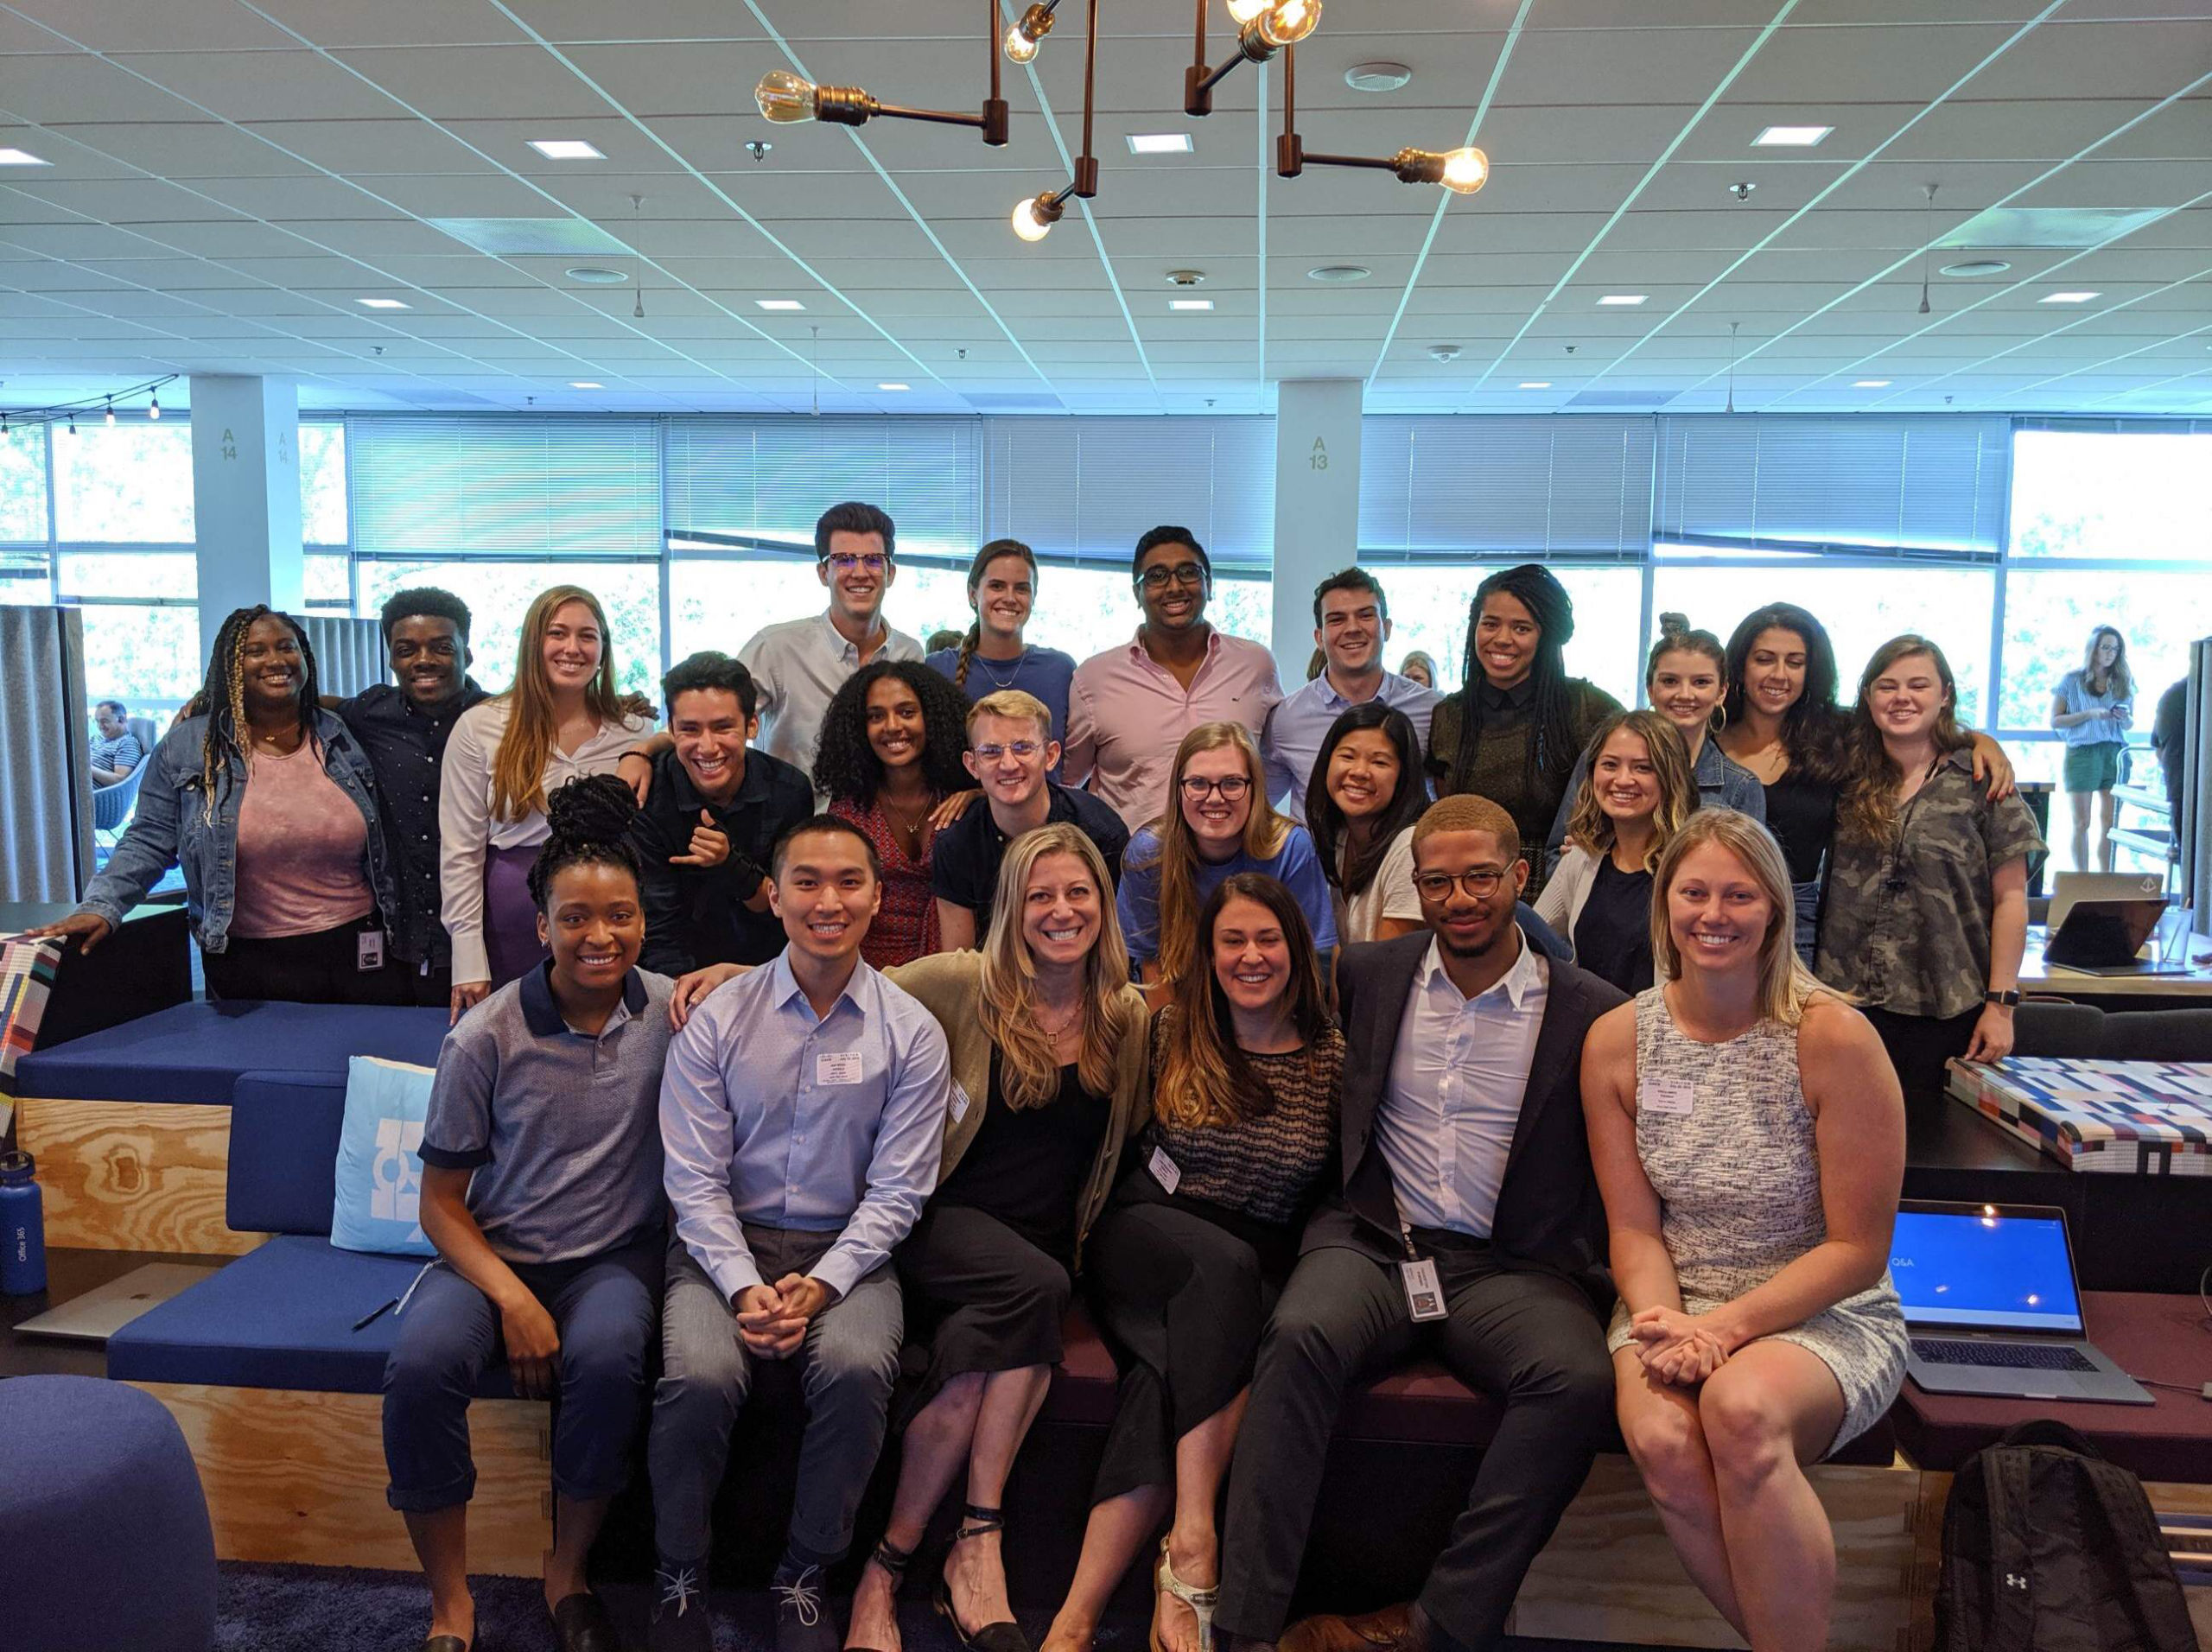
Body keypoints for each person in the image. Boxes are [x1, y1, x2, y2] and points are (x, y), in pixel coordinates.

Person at [1210, 794, 1626, 1652]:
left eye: (1480, 878)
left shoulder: (1592, 1010)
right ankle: (1245, 1627)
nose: (1458, 899)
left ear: (1520, 876)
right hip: (1375, 1241)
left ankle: (1439, 1623)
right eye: (1437, 882)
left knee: (1578, 1380)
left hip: (1512, 1266)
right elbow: (1257, 1015)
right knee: (1296, 1335)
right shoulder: (1367, 972)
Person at [1583, 808, 1907, 1652]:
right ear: (1665, 904)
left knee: (1739, 1408)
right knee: (1660, 1436)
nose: (1713, 914)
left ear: (1774, 909)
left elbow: (1857, 1250)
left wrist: (1722, 1331)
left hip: (1821, 1311)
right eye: (1693, 893)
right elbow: (1634, 1230)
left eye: (1738, 895)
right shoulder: (1617, 1040)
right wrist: (1665, 1325)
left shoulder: (1833, 1036)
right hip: (1671, 1304)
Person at [842, 825, 1152, 1652]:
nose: (1061, 910)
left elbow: (1128, 1140)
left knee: (984, 1364)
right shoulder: (959, 981)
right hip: (940, 1223)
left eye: (1078, 893)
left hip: (1040, 1251)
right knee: (1037, 1292)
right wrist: (735, 974)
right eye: (1041, 895)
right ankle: (980, 1539)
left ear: (1103, 904)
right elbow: (844, 980)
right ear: (1012, 907)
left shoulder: (1124, 1014)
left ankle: (885, 1570)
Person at [382, 776, 673, 1652]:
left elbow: (762, 995)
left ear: (643, 920)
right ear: (541, 925)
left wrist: (733, 972)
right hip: (491, 1253)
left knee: (611, 1356)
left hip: (612, 1257)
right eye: (574, 918)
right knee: (420, 1366)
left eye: (619, 915)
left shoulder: (674, 1010)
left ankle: (567, 1569)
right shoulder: (485, 1035)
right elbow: (439, 1205)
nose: (599, 936)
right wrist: (513, 1298)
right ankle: (450, 1602)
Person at [649, 815, 951, 1652]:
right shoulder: (719, 1016)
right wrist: (744, 1285)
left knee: (856, 1368)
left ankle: (805, 1572)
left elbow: (899, 1190)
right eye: (807, 882)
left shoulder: (911, 1031)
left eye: (850, 882)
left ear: (878, 897)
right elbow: (693, 1179)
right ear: (774, 897)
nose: (829, 901)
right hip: (722, 1243)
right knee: (700, 1374)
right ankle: (679, 1573)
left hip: (848, 1249)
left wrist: (822, 1284)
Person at [1042, 874, 1344, 1652]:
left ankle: (1074, 1621)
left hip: (1251, 1264)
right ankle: (1194, 1535)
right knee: (1226, 1274)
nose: (1251, 956)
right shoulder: (1170, 1030)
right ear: (1208, 956)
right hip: (1146, 1234)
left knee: (1162, 1379)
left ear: (1297, 947)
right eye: (1231, 941)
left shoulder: (1334, 1057)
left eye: (1267, 939)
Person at [35, 606, 406, 1004]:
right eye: (255, 651)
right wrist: (102, 905)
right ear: (231, 665)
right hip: (246, 955)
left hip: (357, 944)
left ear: (305, 657)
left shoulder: (341, 736)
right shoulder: (190, 747)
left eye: (287, 647)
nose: (276, 660)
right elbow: (149, 839)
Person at [1716, 603, 2013, 963]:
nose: (1779, 674)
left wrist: (1982, 741)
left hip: (1797, 928)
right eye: (1764, 659)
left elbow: (1911, 726)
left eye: (1795, 662)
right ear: (1741, 666)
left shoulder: (1836, 737)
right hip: (1711, 916)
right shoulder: (1707, 741)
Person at [1817, 636, 2041, 1112]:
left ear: (1945, 695)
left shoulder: (1984, 782)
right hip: (1845, 1003)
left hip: (1947, 1004)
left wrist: (2001, 1006)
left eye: (1918, 685)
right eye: (1887, 686)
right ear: (1868, 697)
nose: (1902, 697)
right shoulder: (1843, 773)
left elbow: (2011, 900)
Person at [440, 584, 654, 1018]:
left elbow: (682, 740)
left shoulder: (634, 730)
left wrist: (649, 749)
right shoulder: (480, 727)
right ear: (533, 644)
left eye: (587, 636)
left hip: (606, 917)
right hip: (513, 916)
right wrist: (467, 957)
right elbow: (460, 852)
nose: (572, 648)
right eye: (557, 633)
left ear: (603, 649)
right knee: (516, 1036)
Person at [1064, 526, 1282, 830]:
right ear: (1137, 593)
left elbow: (1276, 764)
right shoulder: (1094, 678)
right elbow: (1068, 783)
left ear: (1209, 584)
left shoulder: (1255, 665)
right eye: (1157, 576)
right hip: (1131, 856)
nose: (1175, 586)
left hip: (1235, 854)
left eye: (1188, 572)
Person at [335, 588, 492, 1007]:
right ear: (391, 659)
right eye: (406, 650)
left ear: (466, 654)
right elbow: (305, 704)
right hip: (400, 932)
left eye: (441, 647)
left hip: (487, 930)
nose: (424, 660)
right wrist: (213, 699)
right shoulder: (371, 712)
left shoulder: (500, 719)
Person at [1426, 563, 1622, 896]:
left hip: (1560, 883)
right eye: (1490, 624)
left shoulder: (1585, 707)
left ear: (1544, 636)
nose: (1502, 639)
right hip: (1467, 886)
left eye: (1521, 628)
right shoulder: (1449, 715)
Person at [630, 651, 814, 975]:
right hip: (675, 979)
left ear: (752, 725)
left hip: (770, 974)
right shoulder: (649, 796)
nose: (707, 746)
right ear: (671, 730)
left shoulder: (789, 790)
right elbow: (658, 929)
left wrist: (731, 865)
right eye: (690, 729)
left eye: (723, 727)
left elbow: (792, 906)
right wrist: (683, 997)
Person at [1116, 722, 1336, 989]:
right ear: (1178, 789)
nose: (1215, 798)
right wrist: (1170, 1019)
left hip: (1273, 995)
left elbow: (1314, 957)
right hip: (1180, 996)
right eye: (1198, 783)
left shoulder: (1290, 848)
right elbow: (1151, 965)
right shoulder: (1149, 854)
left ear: (1255, 787)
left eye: (1232, 783)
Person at [932, 689, 1129, 952]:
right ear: (972, 765)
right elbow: (958, 960)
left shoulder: (1100, 832)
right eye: (991, 752)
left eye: (1023, 748)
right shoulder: (956, 844)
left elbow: (1117, 945)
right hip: (992, 974)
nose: (1008, 764)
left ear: (1051, 755)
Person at [1547, 614, 1764, 853]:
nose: (1684, 694)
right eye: (1670, 681)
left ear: (1721, 692)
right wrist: (1578, 861)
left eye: (1701, 682)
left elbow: (1749, 870)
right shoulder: (1600, 759)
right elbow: (1556, 853)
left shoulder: (1741, 787)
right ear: (1650, 689)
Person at [739, 501, 925, 773]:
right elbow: (719, 721)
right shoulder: (775, 649)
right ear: (824, 573)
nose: (860, 573)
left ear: (890, 573)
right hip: (798, 802)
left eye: (873, 560)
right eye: (844, 559)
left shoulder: (910, 654)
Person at [815, 660, 974, 968]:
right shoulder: (849, 809)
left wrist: (983, 795)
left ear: (933, 718)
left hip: (955, 966)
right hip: (870, 969)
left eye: (906, 712)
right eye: (876, 716)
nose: (891, 726)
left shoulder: (965, 796)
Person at [1536, 710, 1699, 995]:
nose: (1623, 780)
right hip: (1589, 1020)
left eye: (1643, 768)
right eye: (1610, 765)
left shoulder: (1694, 866)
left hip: (1660, 1022)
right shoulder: (1581, 858)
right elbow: (1530, 934)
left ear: (1670, 777)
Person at [1262, 569, 1440, 818]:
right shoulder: (1285, 719)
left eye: (1366, 615)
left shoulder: (1432, 710)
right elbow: (1260, 808)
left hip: (1404, 843)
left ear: (1386, 628)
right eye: (1337, 619)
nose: (1353, 628)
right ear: (1319, 638)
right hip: (1313, 845)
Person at [924, 539, 1080, 770]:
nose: (1010, 597)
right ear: (973, 594)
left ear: (1033, 597)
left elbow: (1073, 764)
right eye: (997, 586)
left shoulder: (1060, 670)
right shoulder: (937, 669)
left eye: (1021, 588)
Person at [1304, 703, 1430, 947]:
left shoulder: (1410, 848)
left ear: (1403, 776)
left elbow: (1390, 961)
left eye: (1379, 762)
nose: (1360, 772)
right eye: (1347, 756)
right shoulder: (1341, 835)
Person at [2051, 625, 2134, 872]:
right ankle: (2082, 879)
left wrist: (2123, 717)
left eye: (2115, 649)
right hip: (2082, 752)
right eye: (2105, 647)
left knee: (2110, 823)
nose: (2110, 653)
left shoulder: (2123, 681)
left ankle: (2105, 878)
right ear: (2093, 648)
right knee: (2082, 822)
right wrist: (2089, 714)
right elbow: (2056, 720)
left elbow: (2129, 723)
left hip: (2114, 752)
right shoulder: (2071, 680)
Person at [89, 699, 143, 785]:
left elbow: (120, 780)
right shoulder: (96, 738)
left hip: (86, 790)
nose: (100, 726)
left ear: (122, 720)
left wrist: (86, 768)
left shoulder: (128, 743)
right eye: (97, 721)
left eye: (104, 721)